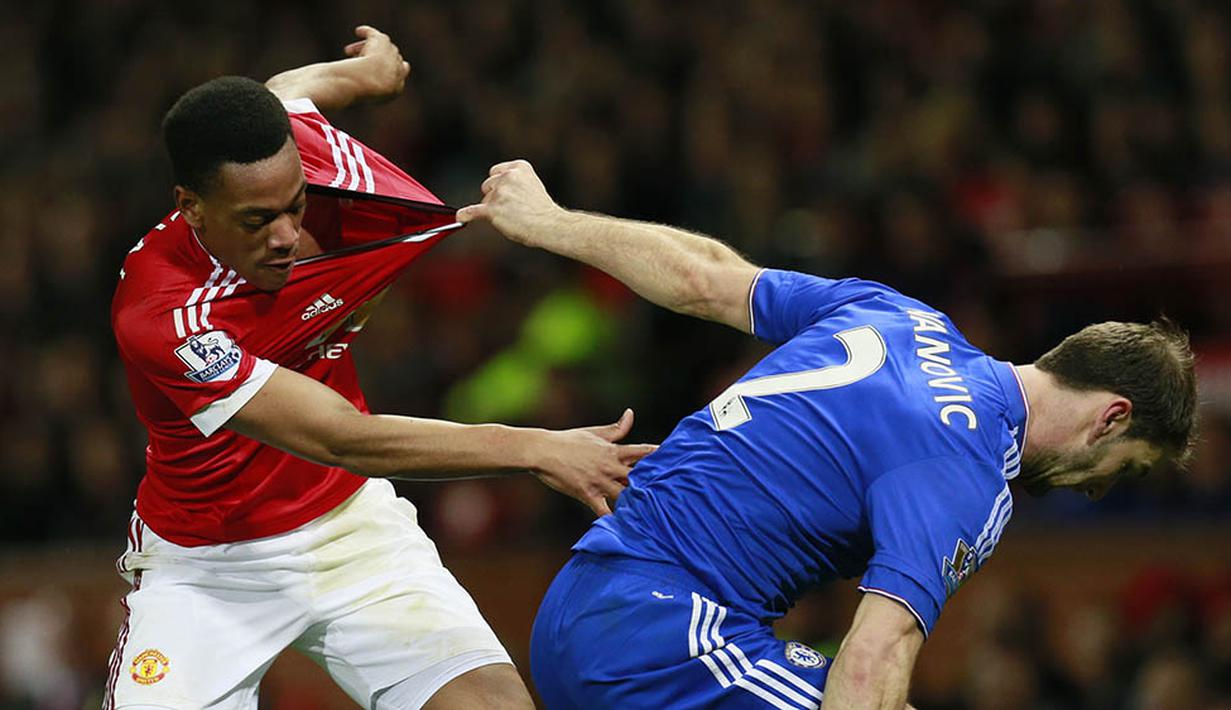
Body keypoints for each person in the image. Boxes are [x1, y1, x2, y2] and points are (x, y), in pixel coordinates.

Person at [458, 160, 1199, 709]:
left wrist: (550, 221)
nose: (1098, 491)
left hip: (580, 600)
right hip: (662, 640)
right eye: (1125, 469)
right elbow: (872, 657)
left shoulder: (899, 314)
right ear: (1111, 416)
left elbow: (702, 277)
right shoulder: (970, 471)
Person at [107, 29, 652, 710]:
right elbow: (341, 437)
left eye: (295, 206)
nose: (285, 235)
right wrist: (534, 448)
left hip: (351, 530)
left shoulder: (293, 154)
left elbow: (288, 91)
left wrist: (369, 73)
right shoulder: (163, 314)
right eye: (256, 221)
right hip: (210, 568)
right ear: (191, 206)